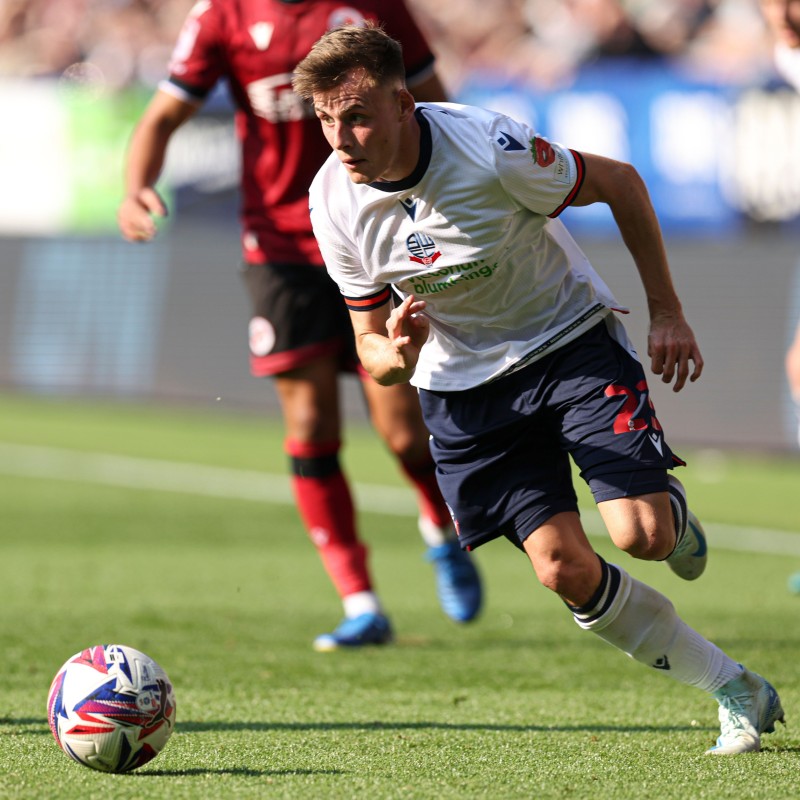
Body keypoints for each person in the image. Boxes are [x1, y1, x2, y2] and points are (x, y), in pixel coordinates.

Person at [293, 23, 785, 754]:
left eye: (357, 116)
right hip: (464, 392)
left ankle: (673, 517)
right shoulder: (331, 199)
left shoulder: (488, 146)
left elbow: (619, 181)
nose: (341, 137)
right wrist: (394, 356)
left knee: (641, 536)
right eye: (327, 119)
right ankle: (732, 687)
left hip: (567, 344)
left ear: (403, 103)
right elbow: (371, 345)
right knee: (562, 568)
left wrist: (668, 313)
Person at [117, 1, 482, 652]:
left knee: (401, 430)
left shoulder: (374, 6)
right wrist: (136, 186)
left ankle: (440, 525)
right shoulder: (221, 16)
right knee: (310, 423)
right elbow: (163, 115)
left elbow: (434, 104)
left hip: (371, 232)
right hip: (278, 247)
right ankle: (360, 601)